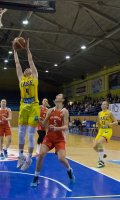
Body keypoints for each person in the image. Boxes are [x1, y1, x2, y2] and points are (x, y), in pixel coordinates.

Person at [31, 94, 75, 187]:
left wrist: (56, 128)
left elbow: (66, 126)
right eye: (56, 97)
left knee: (61, 158)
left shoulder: (65, 111)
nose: (57, 97)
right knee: (40, 155)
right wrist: (38, 120)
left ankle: (69, 170)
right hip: (49, 137)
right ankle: (36, 177)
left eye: (59, 96)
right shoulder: (50, 110)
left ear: (62, 100)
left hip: (60, 138)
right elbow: (44, 125)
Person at [13, 38, 39, 171]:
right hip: (23, 107)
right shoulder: (21, 78)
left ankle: (29, 158)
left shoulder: (34, 76)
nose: (26, 69)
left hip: (34, 107)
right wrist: (14, 50)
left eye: (28, 68)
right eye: (25, 69)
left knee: (30, 134)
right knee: (21, 134)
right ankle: (20, 156)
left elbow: (30, 61)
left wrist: (27, 49)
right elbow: (17, 63)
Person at [93, 101, 118, 168]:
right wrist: (97, 126)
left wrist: (111, 124)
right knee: (94, 147)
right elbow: (99, 123)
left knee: (99, 143)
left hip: (108, 130)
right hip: (101, 130)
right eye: (102, 104)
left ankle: (101, 162)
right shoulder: (99, 113)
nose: (102, 105)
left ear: (107, 106)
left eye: (104, 104)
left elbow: (116, 122)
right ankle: (103, 154)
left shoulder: (110, 113)